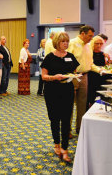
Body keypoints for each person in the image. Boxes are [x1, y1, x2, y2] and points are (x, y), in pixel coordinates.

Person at [41, 32, 79, 163]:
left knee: (66, 119)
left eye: (67, 41)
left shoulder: (71, 57)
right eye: (63, 41)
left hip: (67, 90)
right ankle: (56, 143)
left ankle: (64, 149)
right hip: (52, 90)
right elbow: (43, 76)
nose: (66, 43)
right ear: (57, 42)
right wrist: (54, 77)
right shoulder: (49, 58)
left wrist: (75, 76)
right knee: (54, 119)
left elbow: (73, 72)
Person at [67, 25, 102, 134]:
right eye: (90, 36)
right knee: (69, 104)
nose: (91, 38)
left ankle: (80, 128)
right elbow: (66, 60)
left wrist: (101, 70)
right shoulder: (72, 43)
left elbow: (90, 64)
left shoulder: (88, 46)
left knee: (82, 104)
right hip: (73, 77)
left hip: (85, 76)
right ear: (83, 34)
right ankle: (67, 130)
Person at [87, 36, 108, 108]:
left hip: (101, 77)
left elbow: (105, 65)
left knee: (100, 96)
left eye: (101, 44)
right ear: (93, 43)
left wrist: (108, 60)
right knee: (91, 96)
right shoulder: (89, 53)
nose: (99, 45)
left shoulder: (103, 54)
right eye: (97, 43)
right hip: (92, 77)